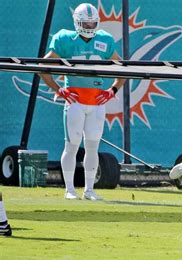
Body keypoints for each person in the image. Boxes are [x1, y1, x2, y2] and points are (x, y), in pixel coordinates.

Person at [40, 3, 126, 201]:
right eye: (85, 21)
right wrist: (58, 89)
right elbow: (42, 66)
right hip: (76, 101)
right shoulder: (64, 39)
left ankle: (89, 190)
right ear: (77, 21)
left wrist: (112, 90)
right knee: (71, 145)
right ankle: (69, 189)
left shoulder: (104, 39)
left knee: (93, 146)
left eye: (92, 21)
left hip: (96, 102)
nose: (89, 25)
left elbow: (123, 68)